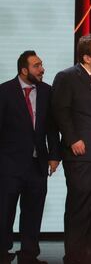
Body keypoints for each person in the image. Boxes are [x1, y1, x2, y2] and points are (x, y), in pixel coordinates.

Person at [52, 34, 91, 264]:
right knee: (81, 210)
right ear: (86, 57)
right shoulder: (68, 77)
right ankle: (76, 258)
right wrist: (72, 139)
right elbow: (60, 110)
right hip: (82, 156)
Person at [0, 50, 60, 264]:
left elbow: (53, 127)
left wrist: (54, 155)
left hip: (37, 164)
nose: (42, 69)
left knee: (33, 211)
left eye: (41, 64)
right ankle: (2, 252)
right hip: (9, 165)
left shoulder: (47, 91)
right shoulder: (4, 91)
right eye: (36, 66)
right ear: (24, 70)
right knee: (5, 210)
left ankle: (29, 254)